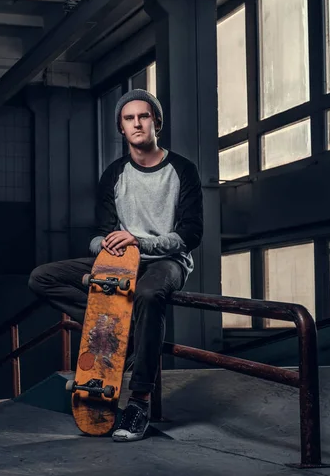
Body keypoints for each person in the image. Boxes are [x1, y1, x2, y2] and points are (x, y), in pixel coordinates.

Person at [28, 89, 203, 442]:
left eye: (144, 116)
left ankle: (138, 401)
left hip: (167, 260)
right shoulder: (114, 174)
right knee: (41, 278)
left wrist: (141, 242)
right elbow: (98, 234)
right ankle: (121, 325)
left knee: (150, 295)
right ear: (120, 127)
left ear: (156, 122)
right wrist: (106, 244)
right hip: (120, 261)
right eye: (129, 118)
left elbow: (191, 234)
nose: (137, 123)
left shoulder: (182, 170)